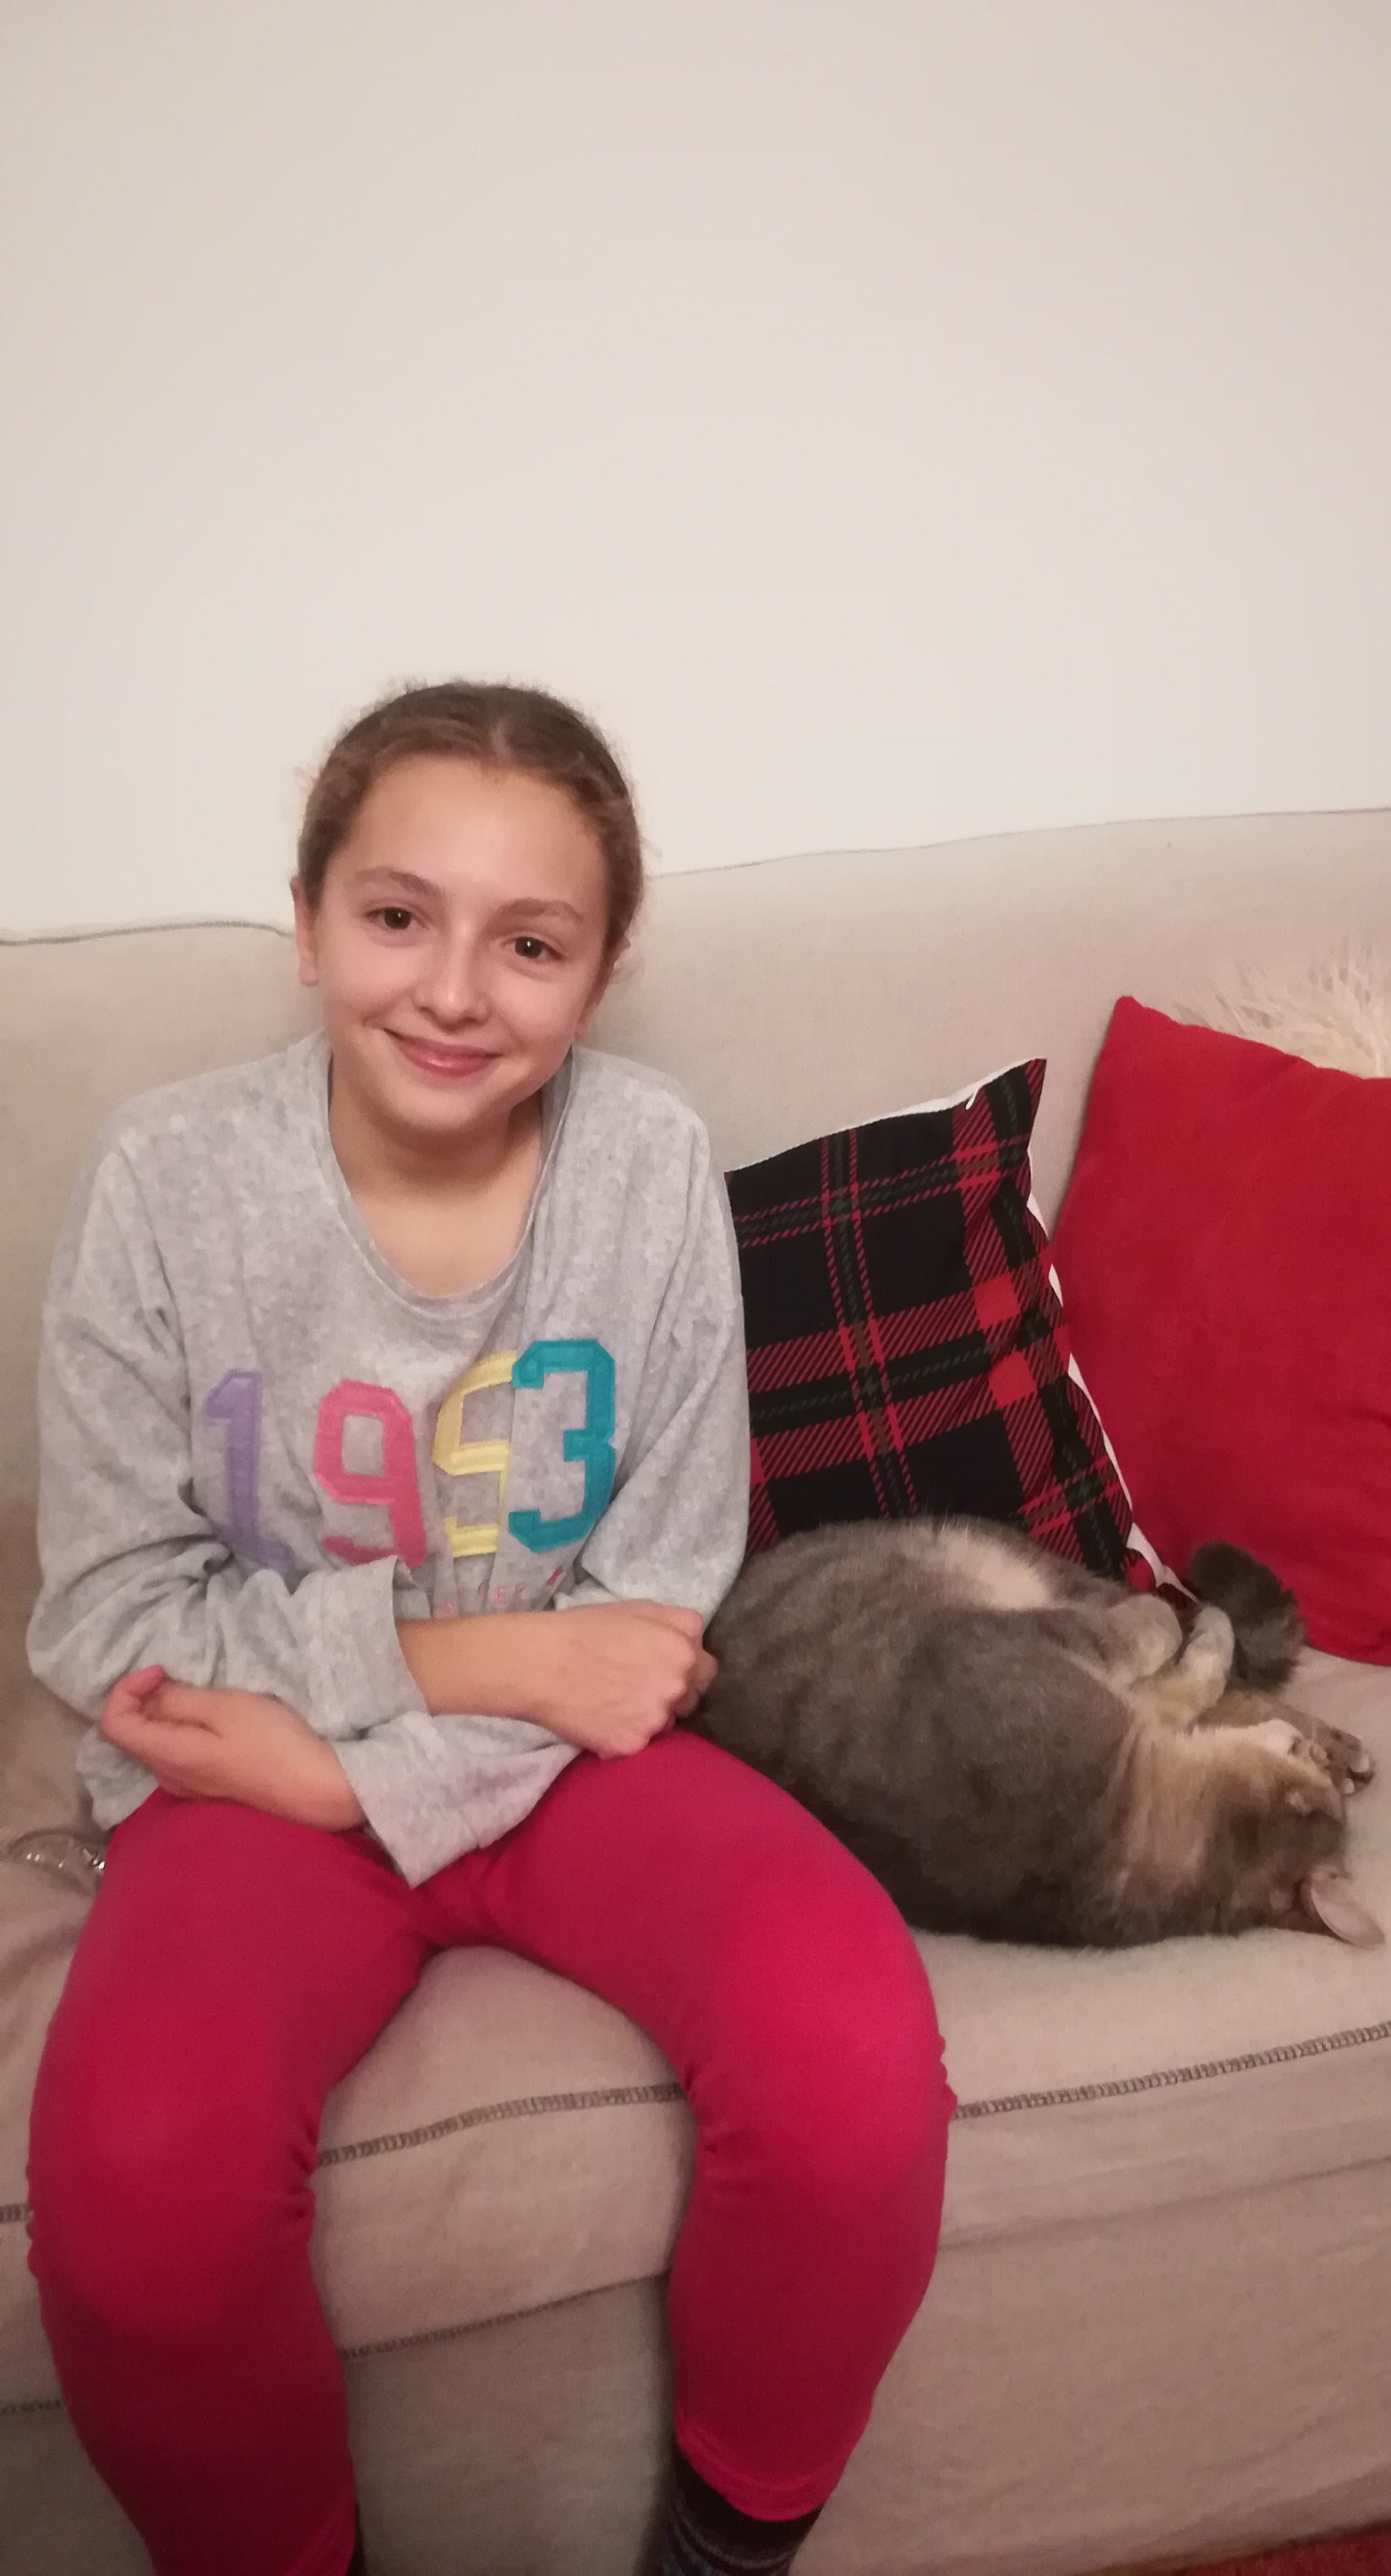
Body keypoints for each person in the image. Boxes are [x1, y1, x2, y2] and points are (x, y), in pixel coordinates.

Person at [25, 680, 954, 2576]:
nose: (454, 992)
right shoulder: (164, 1178)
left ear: (595, 977)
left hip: (554, 1758)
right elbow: (112, 1616)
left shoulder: (645, 1159)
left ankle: (720, 2556)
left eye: (529, 944)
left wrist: (362, 1764)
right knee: (135, 2192)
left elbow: (654, 1598)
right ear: (307, 922)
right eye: (397, 916)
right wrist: (461, 1668)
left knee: (853, 2068)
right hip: (274, 1774)